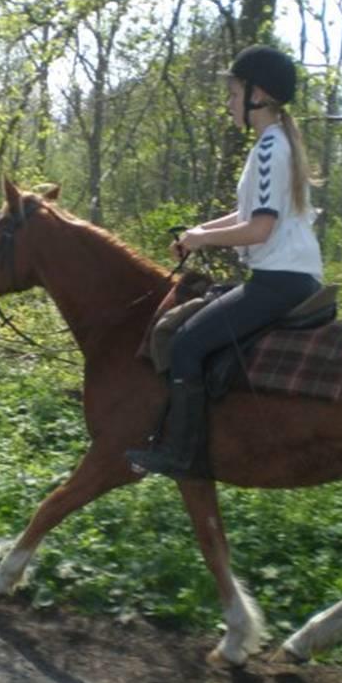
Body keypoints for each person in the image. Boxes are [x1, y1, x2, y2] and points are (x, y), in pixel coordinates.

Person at [127, 44, 323, 478]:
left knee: (187, 344)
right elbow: (249, 214)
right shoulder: (274, 143)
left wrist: (202, 239)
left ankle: (181, 453)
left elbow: (260, 230)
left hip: (280, 280)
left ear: (259, 95)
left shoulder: (271, 149)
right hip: (290, 276)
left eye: (234, 93)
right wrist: (198, 234)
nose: (229, 102)